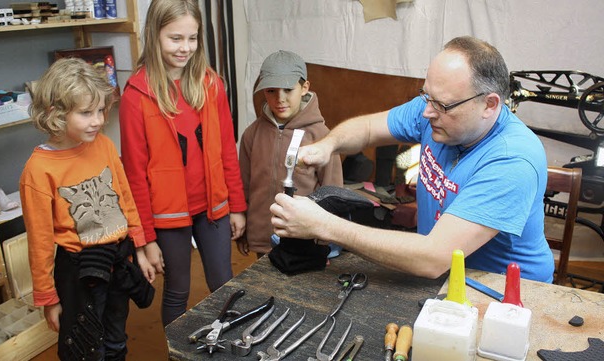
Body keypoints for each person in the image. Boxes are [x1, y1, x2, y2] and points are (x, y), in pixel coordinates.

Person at [270, 36, 555, 283]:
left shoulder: (512, 161)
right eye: (426, 96)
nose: (427, 112)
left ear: (489, 104)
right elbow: (368, 129)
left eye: (441, 105)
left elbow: (433, 257)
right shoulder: (436, 108)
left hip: (503, 294)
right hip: (443, 277)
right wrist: (328, 145)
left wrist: (323, 225)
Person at [119, 0, 247, 326]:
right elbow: (134, 175)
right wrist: (145, 239)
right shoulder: (136, 95)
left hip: (214, 207)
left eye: (192, 38)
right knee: (178, 290)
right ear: (154, 34)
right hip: (167, 215)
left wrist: (236, 205)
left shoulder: (211, 84)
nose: (185, 48)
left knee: (225, 284)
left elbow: (227, 152)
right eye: (175, 38)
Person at [20, 57, 155, 361]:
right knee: (87, 350)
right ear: (55, 113)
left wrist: (141, 250)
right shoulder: (38, 170)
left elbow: (125, 199)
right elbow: (39, 242)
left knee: (117, 338)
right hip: (80, 275)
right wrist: (48, 298)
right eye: (85, 113)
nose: (97, 120)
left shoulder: (104, 145)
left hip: (118, 262)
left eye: (100, 110)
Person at [238, 50, 343, 258]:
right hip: (262, 240)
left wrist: (325, 241)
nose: (280, 99)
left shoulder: (321, 136)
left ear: (304, 88)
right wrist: (246, 233)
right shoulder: (252, 134)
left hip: (305, 242)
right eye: (271, 91)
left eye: (288, 89)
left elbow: (333, 192)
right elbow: (244, 185)